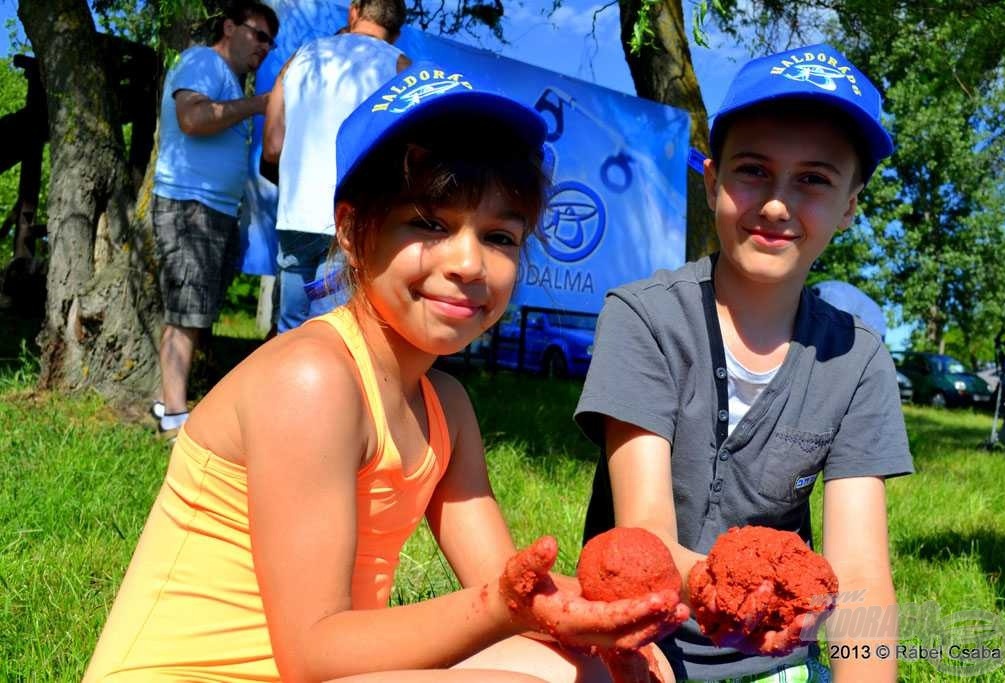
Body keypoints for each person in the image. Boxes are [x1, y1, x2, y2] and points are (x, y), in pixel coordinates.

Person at [84, 64, 686, 682]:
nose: (468, 263)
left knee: (600, 667)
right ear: (350, 230)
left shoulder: (445, 406)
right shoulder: (312, 379)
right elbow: (314, 653)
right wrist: (500, 607)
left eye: (500, 236)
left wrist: (632, 615)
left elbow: (513, 590)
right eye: (429, 224)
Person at [575, 43, 914, 682]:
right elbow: (645, 538)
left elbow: (862, 574)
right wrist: (739, 595)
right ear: (711, 181)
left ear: (849, 207)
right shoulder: (643, 317)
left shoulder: (859, 359)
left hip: (775, 658)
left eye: (814, 179)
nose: (778, 204)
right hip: (637, 638)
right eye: (752, 170)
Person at [150, 0, 279, 438]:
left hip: (217, 212)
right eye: (258, 35)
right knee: (186, 312)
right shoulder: (203, 60)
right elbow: (192, 118)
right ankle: (172, 416)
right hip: (189, 205)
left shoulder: (229, 81)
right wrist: (257, 105)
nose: (264, 47)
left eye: (270, 42)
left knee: (195, 311)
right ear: (229, 27)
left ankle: (169, 402)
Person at [262, 0, 410, 333]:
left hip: (295, 214)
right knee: (331, 334)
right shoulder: (400, 68)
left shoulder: (299, 58)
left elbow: (271, 148)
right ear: (397, 32)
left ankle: (283, 385)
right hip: (352, 219)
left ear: (354, 11)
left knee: (289, 329)